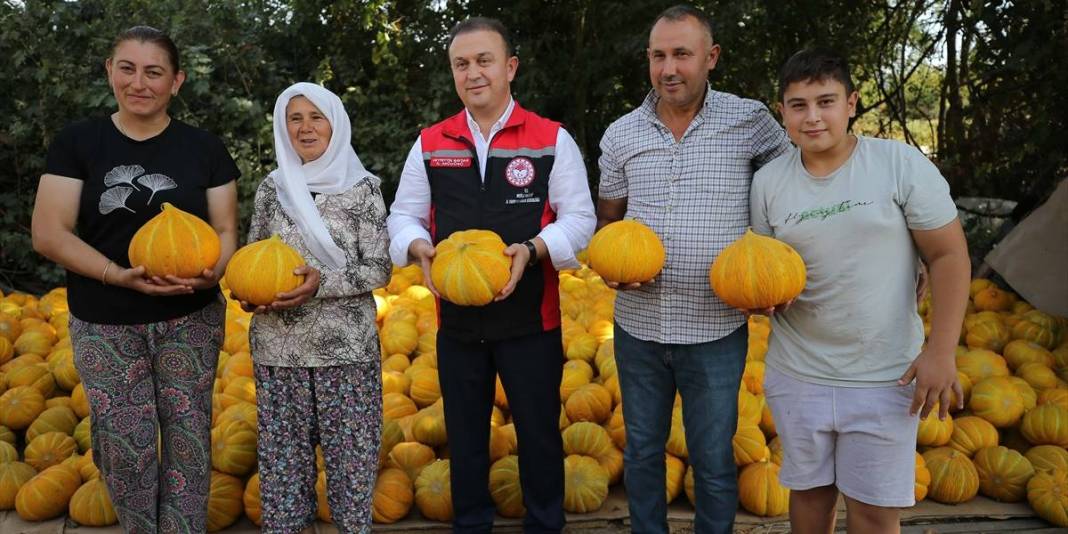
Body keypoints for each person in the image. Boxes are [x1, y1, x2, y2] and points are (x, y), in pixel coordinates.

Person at [386, 16, 595, 533]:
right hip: (456, 322)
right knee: (466, 437)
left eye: (484, 60)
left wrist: (534, 248)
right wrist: (417, 246)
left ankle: (545, 525)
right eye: (462, 63)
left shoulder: (551, 139)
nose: (473, 72)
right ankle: (472, 524)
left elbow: (580, 220)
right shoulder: (430, 143)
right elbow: (403, 215)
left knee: (540, 436)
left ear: (510, 67)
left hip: (531, 322)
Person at [750, 48, 970, 533]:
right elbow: (766, 271)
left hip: (885, 376)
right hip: (797, 373)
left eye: (825, 102)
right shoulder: (767, 183)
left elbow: (949, 256)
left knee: (873, 513)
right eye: (798, 105)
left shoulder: (899, 164)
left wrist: (940, 351)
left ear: (851, 104)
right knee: (808, 500)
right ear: (781, 111)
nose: (813, 117)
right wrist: (760, 299)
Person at [31, 25, 239, 533]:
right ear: (109, 71)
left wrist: (214, 270)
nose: (139, 82)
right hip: (106, 321)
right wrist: (117, 275)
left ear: (177, 81)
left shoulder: (204, 149)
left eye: (154, 72)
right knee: (128, 449)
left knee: (189, 440)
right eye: (127, 68)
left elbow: (226, 228)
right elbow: (48, 233)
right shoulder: (78, 142)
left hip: (190, 317)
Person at [595, 5, 791, 533]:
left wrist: (774, 267)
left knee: (713, 461)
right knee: (641, 454)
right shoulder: (621, 134)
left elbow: (793, 194)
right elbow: (607, 221)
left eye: (682, 53)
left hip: (716, 328)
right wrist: (608, 264)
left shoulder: (750, 122)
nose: (669, 68)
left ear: (712, 57)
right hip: (638, 326)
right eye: (659, 56)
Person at [241, 82, 391, 533]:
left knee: (351, 461)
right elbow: (254, 256)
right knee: (282, 463)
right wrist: (249, 291)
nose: (305, 127)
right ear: (283, 127)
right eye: (295, 118)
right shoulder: (273, 189)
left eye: (315, 117)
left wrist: (318, 283)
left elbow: (380, 268)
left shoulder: (363, 189)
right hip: (277, 348)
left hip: (345, 350)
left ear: (335, 123)